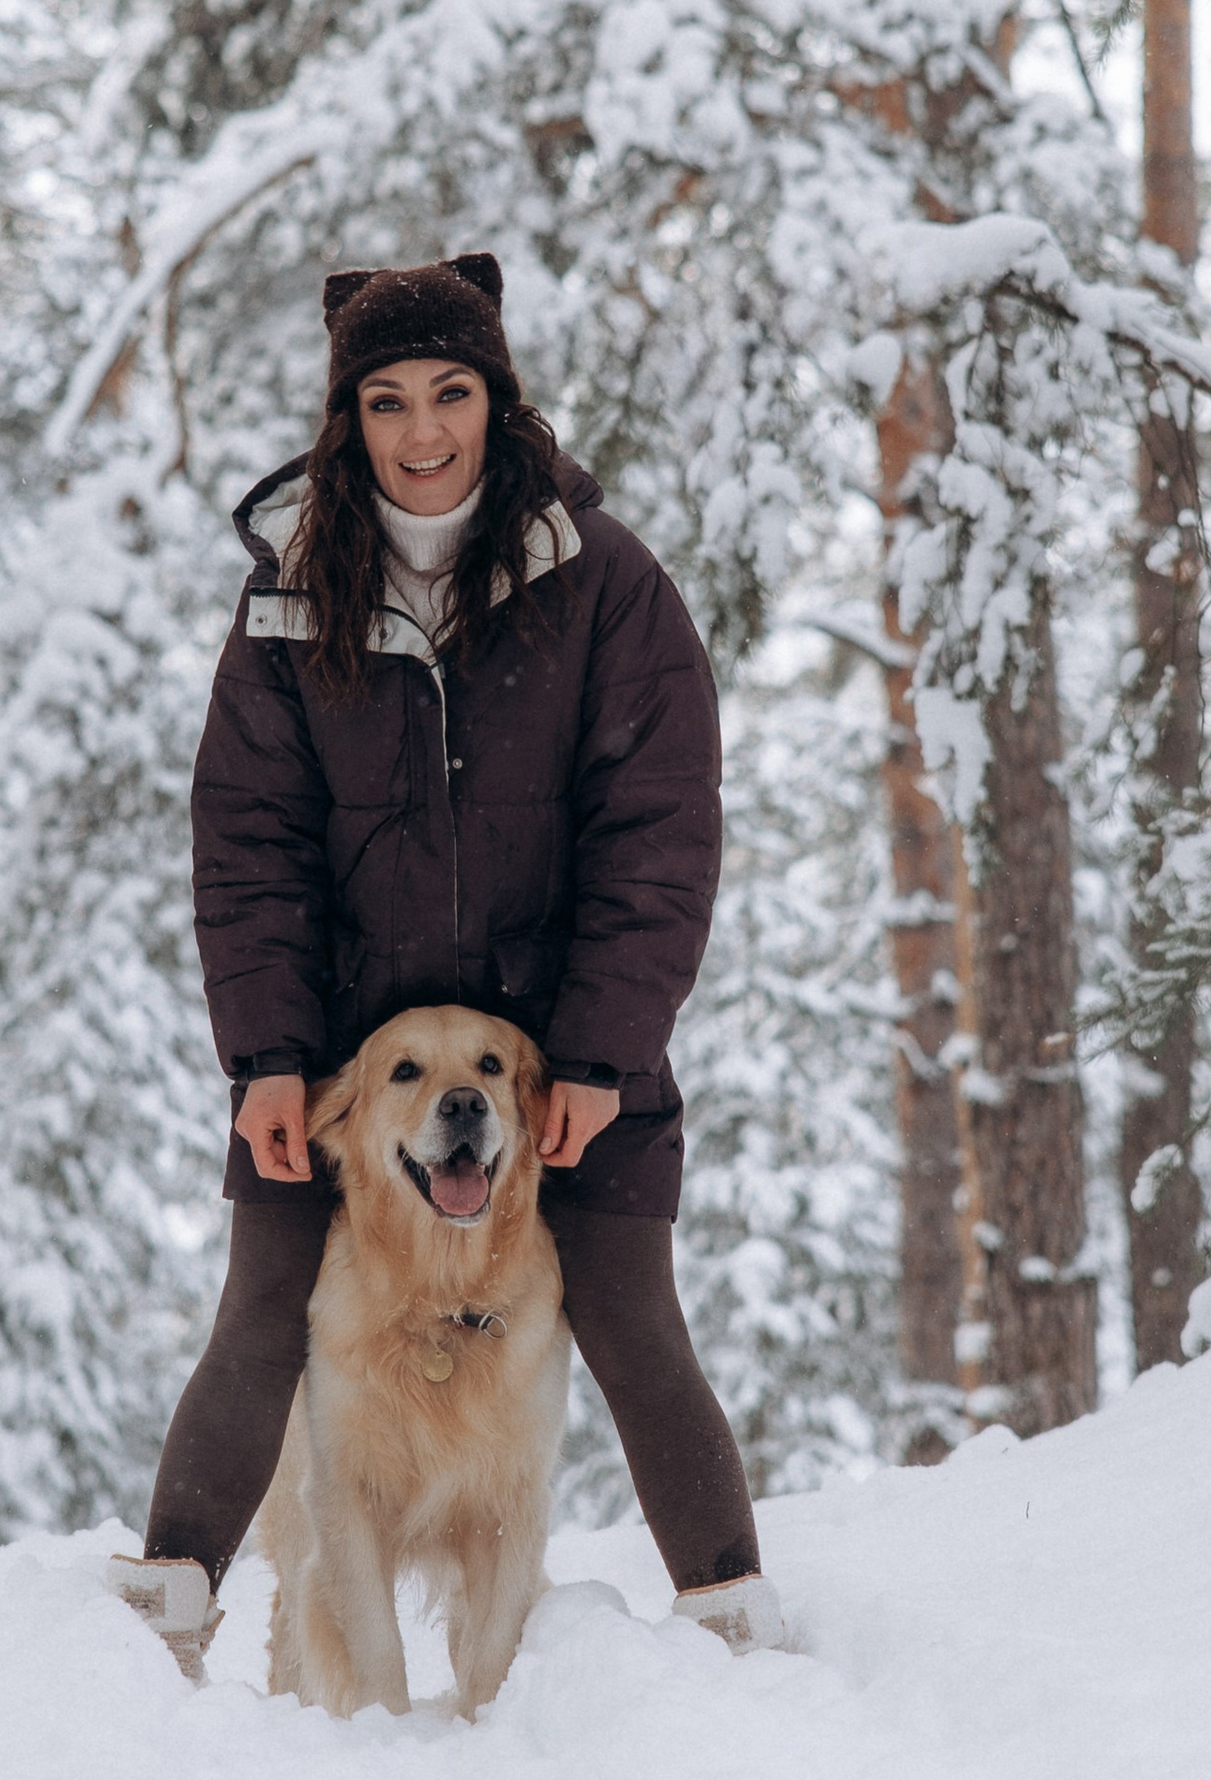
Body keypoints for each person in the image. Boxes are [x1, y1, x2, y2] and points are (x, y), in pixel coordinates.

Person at [107, 252, 784, 1679]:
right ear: (346, 419)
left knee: (627, 1314)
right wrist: (275, 1061)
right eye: (390, 400)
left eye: (453, 394)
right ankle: (153, 1633)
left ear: (501, 399)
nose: (424, 433)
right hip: (365, 1068)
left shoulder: (602, 584)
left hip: (558, 1060)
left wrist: (599, 1057)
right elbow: (249, 845)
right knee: (262, 1313)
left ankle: (737, 1637)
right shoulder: (294, 594)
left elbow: (660, 831)